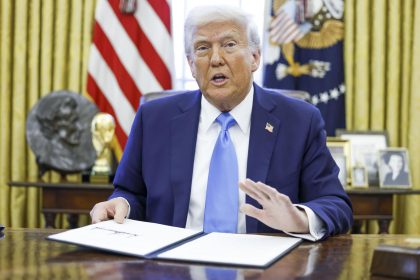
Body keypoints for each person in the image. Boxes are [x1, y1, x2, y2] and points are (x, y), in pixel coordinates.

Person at [90, 5, 353, 240]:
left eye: (229, 44)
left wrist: (299, 218)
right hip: (172, 266)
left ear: (255, 57)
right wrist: (120, 204)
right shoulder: (154, 118)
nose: (216, 58)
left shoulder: (299, 120)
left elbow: (335, 205)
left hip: (263, 269)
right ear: (191, 65)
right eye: (203, 48)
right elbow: (131, 193)